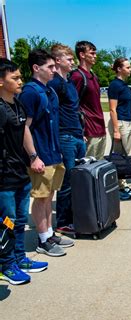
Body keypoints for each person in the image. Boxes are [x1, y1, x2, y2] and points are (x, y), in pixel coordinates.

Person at [0, 58, 48, 285]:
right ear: (1, 82)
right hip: (4, 178)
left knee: (19, 220)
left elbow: (24, 132)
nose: (20, 81)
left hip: (20, 172)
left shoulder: (17, 104)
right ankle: (6, 264)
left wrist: (33, 157)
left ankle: (19, 258)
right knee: (6, 222)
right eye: (15, 78)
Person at [19, 49, 68, 257]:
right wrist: (33, 156)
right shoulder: (31, 92)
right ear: (36, 68)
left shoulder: (48, 91)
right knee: (40, 198)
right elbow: (24, 128)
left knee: (49, 196)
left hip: (53, 153)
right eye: (50, 67)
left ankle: (49, 233)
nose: (54, 71)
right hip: (41, 156)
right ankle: (42, 240)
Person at [49, 44, 86, 239]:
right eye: (69, 59)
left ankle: (74, 217)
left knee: (79, 180)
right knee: (67, 181)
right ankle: (63, 222)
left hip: (77, 134)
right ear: (57, 61)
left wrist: (82, 131)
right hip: (65, 136)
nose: (72, 62)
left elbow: (74, 108)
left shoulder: (70, 82)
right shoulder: (54, 83)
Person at [70, 41, 106, 159]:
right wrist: (80, 130)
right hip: (89, 130)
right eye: (92, 53)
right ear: (82, 55)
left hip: (100, 127)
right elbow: (72, 105)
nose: (95, 56)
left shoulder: (93, 76)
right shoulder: (77, 76)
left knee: (99, 167)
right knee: (88, 168)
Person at [107, 57, 131, 200]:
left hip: (128, 122)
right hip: (120, 123)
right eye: (128, 67)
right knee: (118, 157)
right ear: (119, 69)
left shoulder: (125, 85)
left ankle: (122, 185)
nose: (130, 70)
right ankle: (117, 188)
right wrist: (116, 130)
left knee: (125, 155)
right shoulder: (115, 85)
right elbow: (112, 109)